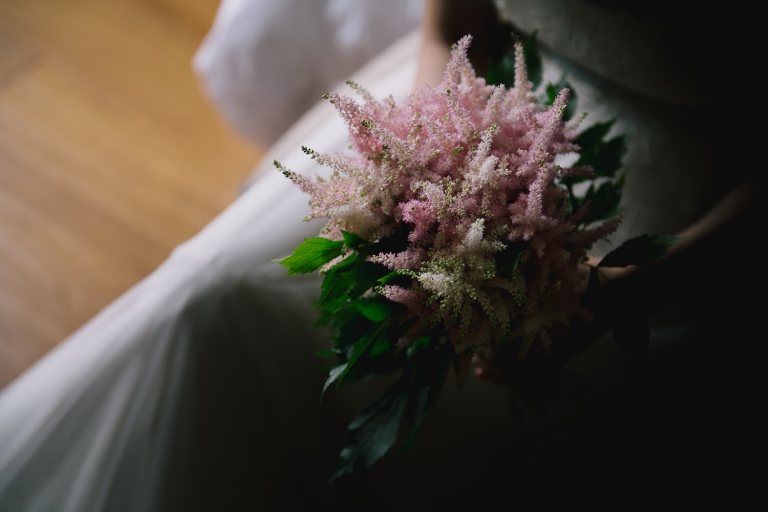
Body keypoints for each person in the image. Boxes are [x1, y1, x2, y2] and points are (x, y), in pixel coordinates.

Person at [0, 0, 760, 510]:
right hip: (464, 118)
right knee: (215, 297)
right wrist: (421, 152)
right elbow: (450, 27)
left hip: (681, 228)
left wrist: (619, 292)